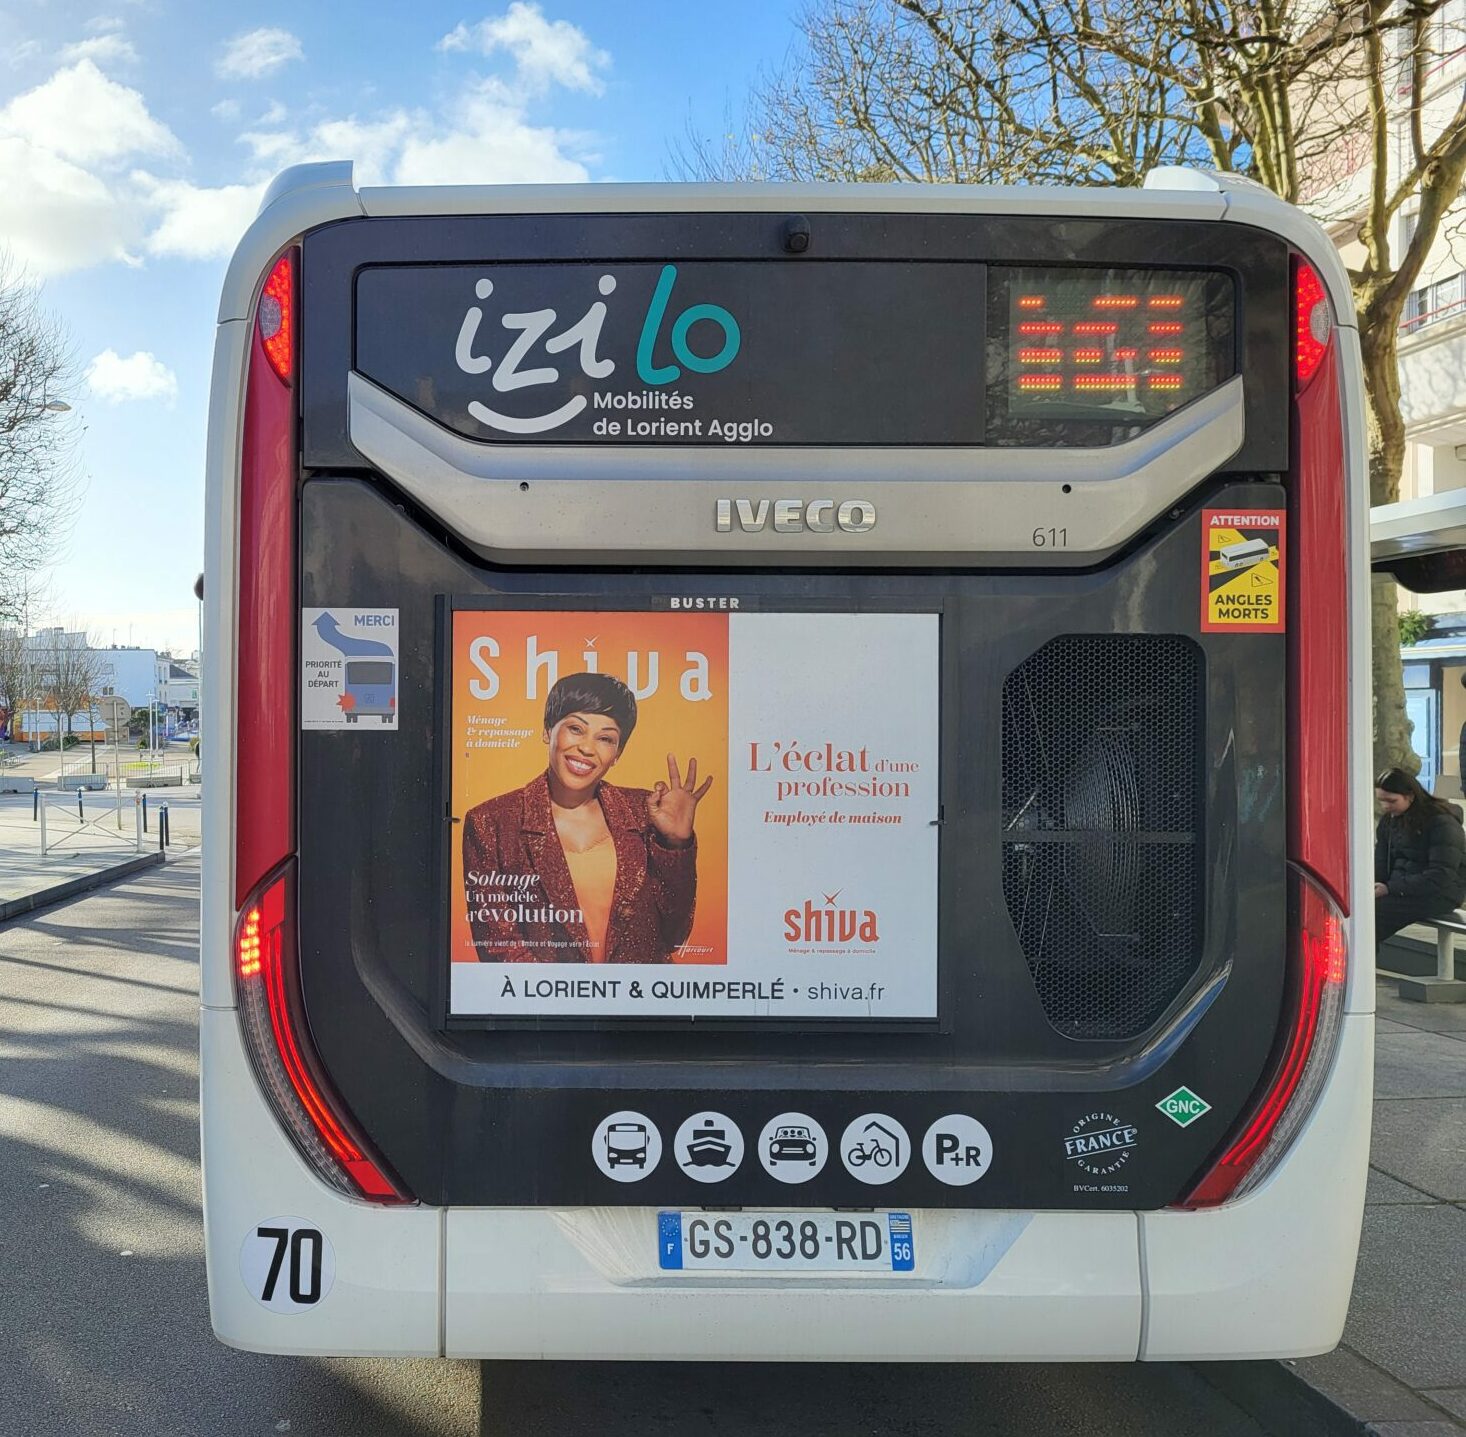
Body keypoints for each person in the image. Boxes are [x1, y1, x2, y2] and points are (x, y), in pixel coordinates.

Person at [461, 672, 713, 964]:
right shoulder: (490, 822)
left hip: (642, 1003)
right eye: (576, 729)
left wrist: (676, 845)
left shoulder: (648, 811)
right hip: (548, 1005)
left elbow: (674, 935)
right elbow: (498, 948)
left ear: (617, 753)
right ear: (547, 731)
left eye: (605, 738)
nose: (587, 748)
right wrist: (575, 1001)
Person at [1374, 767, 1466, 950]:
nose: (1385, 807)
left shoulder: (1442, 822)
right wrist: (1377, 884)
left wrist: (1390, 888)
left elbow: (1441, 875)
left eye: (1391, 801)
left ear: (1410, 796)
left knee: (1372, 918)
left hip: (1440, 892)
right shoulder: (1389, 821)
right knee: (1361, 912)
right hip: (1403, 887)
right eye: (1381, 801)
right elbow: (1381, 861)